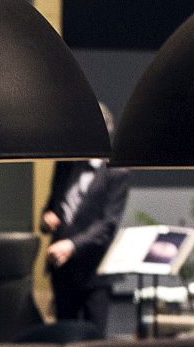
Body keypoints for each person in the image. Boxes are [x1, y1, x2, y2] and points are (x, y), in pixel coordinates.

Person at [41, 105, 131, 320]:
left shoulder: (117, 172)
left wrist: (71, 246)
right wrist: (46, 218)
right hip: (62, 270)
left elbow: (107, 224)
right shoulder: (66, 164)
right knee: (63, 337)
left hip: (94, 272)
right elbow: (53, 205)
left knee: (94, 341)